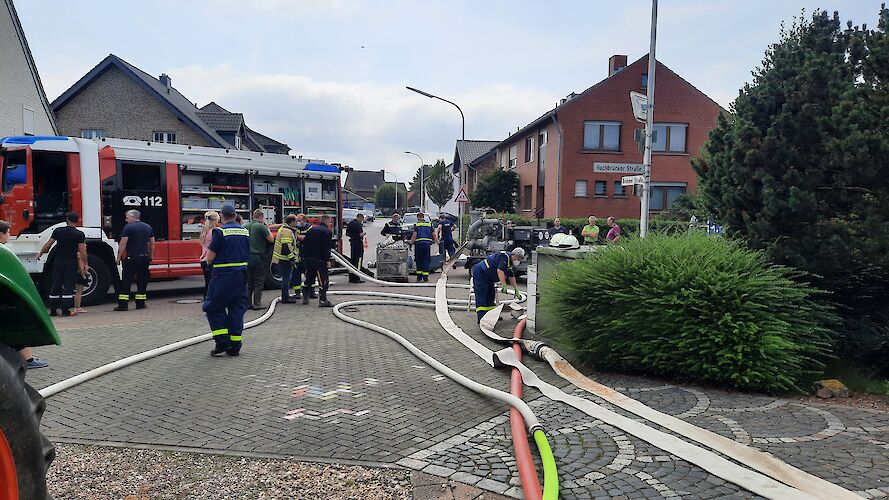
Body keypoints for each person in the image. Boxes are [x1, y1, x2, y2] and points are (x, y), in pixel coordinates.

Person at [1, 220, 49, 368]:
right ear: (1, 234)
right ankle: (28, 360)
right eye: (8, 232)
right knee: (17, 324)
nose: (10, 235)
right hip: (5, 299)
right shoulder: (3, 251)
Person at [203, 205, 249, 356]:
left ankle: (222, 342)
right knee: (237, 309)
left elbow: (210, 257)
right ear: (235, 215)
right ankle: (235, 345)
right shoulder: (244, 231)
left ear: (222, 217)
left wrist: (210, 265)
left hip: (222, 276)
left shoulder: (220, 231)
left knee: (213, 308)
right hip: (241, 276)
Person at [36, 212, 87, 317]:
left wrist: (40, 253)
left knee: (56, 283)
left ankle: (53, 310)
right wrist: (85, 263)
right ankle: (65, 310)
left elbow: (48, 245)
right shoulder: (79, 234)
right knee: (68, 285)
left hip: (58, 261)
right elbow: (82, 251)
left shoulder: (58, 231)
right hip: (71, 262)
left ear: (67, 219)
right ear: (77, 221)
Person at [114, 210, 155, 311]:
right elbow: (152, 244)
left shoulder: (128, 227)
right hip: (144, 258)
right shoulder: (148, 227)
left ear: (133, 217)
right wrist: (150, 256)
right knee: (142, 281)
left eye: (127, 217)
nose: (126, 219)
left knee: (126, 281)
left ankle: (123, 305)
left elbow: (123, 243)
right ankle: (140, 304)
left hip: (131, 258)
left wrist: (118, 257)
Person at [471, 248, 524, 323]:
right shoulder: (504, 257)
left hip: (488, 277)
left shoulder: (510, 262)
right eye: (517, 258)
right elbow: (500, 271)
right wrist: (504, 285)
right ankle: (481, 317)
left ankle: (491, 316)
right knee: (482, 295)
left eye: (519, 259)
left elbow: (511, 276)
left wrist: (516, 290)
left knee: (491, 295)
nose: (517, 261)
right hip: (481, 274)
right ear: (514, 255)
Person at [298, 214, 333, 307]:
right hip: (320, 259)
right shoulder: (327, 232)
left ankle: (305, 295)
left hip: (309, 258)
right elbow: (326, 248)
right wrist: (327, 260)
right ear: (328, 221)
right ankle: (322, 300)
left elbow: (305, 243)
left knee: (309, 278)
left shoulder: (311, 230)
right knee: (323, 279)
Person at [244, 209, 274, 309]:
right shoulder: (261, 226)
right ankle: (257, 303)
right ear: (261, 217)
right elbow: (271, 239)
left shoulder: (245, 226)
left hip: (247, 257)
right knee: (259, 281)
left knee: (249, 281)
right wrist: (267, 228)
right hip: (258, 256)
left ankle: (247, 303)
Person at [271, 214, 299, 304]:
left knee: (285, 278)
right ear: (291, 222)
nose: (297, 223)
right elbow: (285, 246)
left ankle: (285, 296)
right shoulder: (287, 231)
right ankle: (285, 297)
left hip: (283, 258)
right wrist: (292, 258)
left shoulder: (283, 229)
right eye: (296, 221)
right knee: (287, 278)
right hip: (286, 259)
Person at [410, 212, 438, 282]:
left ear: (418, 217)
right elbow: (434, 235)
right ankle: (425, 277)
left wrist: (411, 242)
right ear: (423, 217)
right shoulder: (429, 224)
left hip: (419, 245)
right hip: (427, 245)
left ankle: (419, 277)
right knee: (426, 260)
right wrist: (438, 242)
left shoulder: (416, 225)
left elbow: (414, 235)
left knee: (419, 260)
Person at [199, 211, 221, 297]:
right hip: (210, 260)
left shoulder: (205, 231)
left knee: (207, 284)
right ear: (215, 220)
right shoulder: (214, 232)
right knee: (213, 285)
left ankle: (206, 302)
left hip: (203, 260)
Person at [345, 212, 366, 283]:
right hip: (358, 243)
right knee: (358, 261)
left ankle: (351, 277)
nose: (362, 221)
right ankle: (357, 277)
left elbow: (347, 234)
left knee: (352, 261)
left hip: (352, 243)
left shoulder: (350, 223)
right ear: (360, 218)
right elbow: (360, 234)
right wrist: (363, 234)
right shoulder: (358, 224)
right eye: (362, 219)